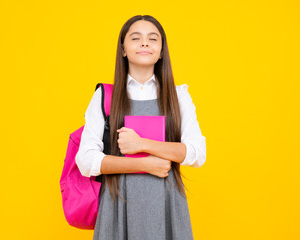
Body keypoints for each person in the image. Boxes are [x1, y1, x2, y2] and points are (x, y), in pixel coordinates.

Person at [75, 15, 206, 240]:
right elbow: (86, 161)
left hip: (167, 205)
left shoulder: (179, 96)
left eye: (152, 38)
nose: (145, 43)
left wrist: (141, 144)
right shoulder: (105, 96)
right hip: (118, 207)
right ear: (123, 49)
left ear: (161, 50)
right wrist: (144, 164)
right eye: (136, 38)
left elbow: (197, 154)